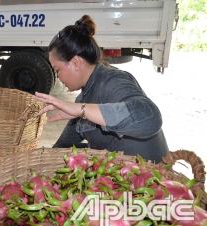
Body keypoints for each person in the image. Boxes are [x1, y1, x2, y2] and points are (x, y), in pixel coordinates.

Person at [34, 15, 169, 163]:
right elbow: (63, 146)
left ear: (75, 63)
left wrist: (82, 110)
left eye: (57, 69)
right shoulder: (84, 98)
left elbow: (151, 118)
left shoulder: (113, 80)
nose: (58, 77)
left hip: (149, 178)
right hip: (117, 175)